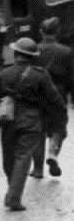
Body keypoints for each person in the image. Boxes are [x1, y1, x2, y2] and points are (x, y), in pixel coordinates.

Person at [0, 38, 65, 211]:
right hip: (31, 121)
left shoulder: (3, 73)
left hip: (8, 119)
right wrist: (61, 117)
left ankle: (12, 190)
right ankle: (13, 197)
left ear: (15, 54)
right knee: (23, 157)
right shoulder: (40, 75)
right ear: (33, 57)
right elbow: (54, 99)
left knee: (8, 157)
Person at [37, 17, 74, 177]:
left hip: (37, 94)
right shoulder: (66, 51)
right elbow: (72, 77)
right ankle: (52, 153)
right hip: (58, 93)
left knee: (38, 130)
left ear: (41, 32)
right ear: (57, 32)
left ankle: (37, 169)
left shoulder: (34, 49)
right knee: (59, 127)